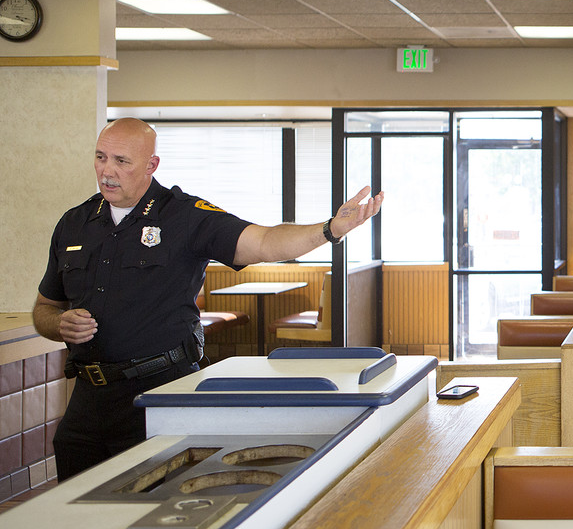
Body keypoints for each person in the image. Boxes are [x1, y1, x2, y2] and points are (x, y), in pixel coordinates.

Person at [33, 117, 384, 481]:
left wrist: (329, 229)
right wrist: (58, 324)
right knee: (77, 519)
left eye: (122, 161)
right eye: (101, 157)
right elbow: (45, 309)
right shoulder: (74, 224)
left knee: (158, 518)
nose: (107, 170)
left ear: (151, 165)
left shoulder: (185, 216)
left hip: (160, 396)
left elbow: (263, 242)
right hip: (87, 402)